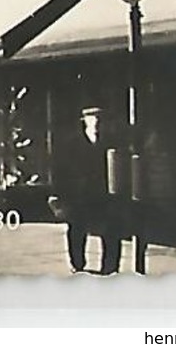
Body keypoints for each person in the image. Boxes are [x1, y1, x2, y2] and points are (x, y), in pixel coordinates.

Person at [50, 106, 122, 275]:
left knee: (112, 228)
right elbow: (61, 169)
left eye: (100, 119)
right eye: (92, 118)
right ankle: (78, 263)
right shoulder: (71, 142)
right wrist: (58, 195)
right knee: (77, 228)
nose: (97, 123)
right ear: (84, 121)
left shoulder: (111, 141)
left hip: (105, 193)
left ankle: (110, 267)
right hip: (79, 195)